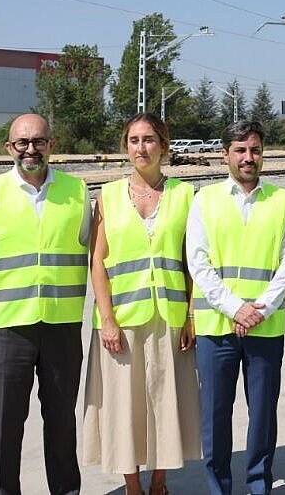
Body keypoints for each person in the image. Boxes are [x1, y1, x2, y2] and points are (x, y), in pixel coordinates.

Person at [0, 113, 90, 495]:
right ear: (9, 148)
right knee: (4, 425)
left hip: (61, 326)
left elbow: (86, 249)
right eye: (22, 143)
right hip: (6, 330)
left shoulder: (77, 193)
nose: (31, 149)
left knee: (62, 423)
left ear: (52, 145)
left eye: (39, 141)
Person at [82, 112, 201, 495]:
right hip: (121, 320)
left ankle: (160, 481)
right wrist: (107, 319)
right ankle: (132, 486)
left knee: (166, 402)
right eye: (133, 140)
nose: (141, 147)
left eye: (149, 139)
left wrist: (191, 316)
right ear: (126, 146)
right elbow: (97, 261)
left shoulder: (185, 196)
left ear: (163, 146)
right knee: (124, 407)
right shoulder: (108, 196)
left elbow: (192, 262)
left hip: (170, 317)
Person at [186, 120, 285, 495]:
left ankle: (258, 486)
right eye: (240, 150)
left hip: (265, 328)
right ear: (225, 155)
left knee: (263, 415)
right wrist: (236, 309)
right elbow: (198, 264)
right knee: (215, 417)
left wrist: (259, 310)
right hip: (217, 329)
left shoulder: (281, 201)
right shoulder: (204, 200)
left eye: (255, 150)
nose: (248, 157)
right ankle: (219, 488)